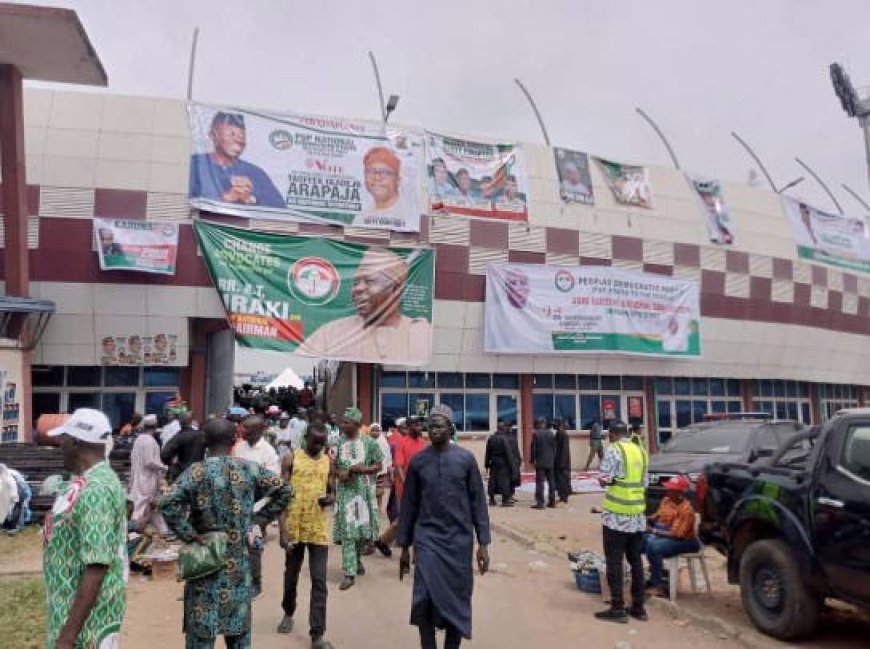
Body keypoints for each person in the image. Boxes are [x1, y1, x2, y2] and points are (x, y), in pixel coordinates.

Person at [160, 418, 290, 649]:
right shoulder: (248, 469)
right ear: (234, 440)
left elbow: (168, 503)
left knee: (201, 633)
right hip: (238, 567)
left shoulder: (196, 472)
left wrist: (189, 534)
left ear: (205, 441)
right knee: (238, 633)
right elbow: (285, 490)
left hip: (204, 563)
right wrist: (258, 519)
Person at [397, 404, 491, 649]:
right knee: (424, 598)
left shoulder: (466, 460)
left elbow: (478, 503)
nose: (433, 430)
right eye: (431, 425)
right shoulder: (418, 462)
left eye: (439, 425)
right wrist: (405, 547)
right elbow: (409, 506)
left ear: (450, 429)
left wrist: (483, 543)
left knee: (457, 602)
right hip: (427, 539)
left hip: (459, 542)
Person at [43, 408, 127, 648]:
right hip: (77, 611)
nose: (60, 444)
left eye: (63, 438)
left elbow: (96, 566)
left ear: (76, 442)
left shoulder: (94, 491)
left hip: (85, 624)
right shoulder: (95, 480)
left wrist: (69, 634)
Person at [299, 247, 432, 364]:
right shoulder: (331, 333)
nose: (358, 289)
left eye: (369, 281)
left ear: (395, 289)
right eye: (356, 283)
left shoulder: (420, 333)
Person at [277, 423, 335, 649]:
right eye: (315, 442)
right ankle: (288, 611)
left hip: (318, 529)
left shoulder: (328, 462)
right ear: (306, 439)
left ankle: (317, 634)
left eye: (322, 443)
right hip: (294, 527)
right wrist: (282, 530)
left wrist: (330, 499)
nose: (319, 446)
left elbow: (331, 491)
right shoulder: (291, 459)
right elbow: (281, 496)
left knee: (319, 581)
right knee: (291, 575)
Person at [595, 420, 649, 623]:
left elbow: (603, 479)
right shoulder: (641, 451)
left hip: (616, 516)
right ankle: (639, 607)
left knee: (615, 561)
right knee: (636, 561)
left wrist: (610, 480)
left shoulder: (614, 450)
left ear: (611, 434)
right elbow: (643, 482)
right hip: (637, 515)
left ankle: (617, 607)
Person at [190, 111, 285, 208]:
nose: (238, 140)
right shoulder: (195, 164)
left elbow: (280, 208)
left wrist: (250, 199)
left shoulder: (256, 173)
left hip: (241, 223)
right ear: (213, 135)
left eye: (242, 136)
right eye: (232, 134)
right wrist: (227, 198)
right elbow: (187, 201)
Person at [333, 407, 383, 591]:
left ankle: (358, 560)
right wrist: (341, 473)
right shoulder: (337, 444)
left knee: (362, 533)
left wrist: (362, 469)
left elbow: (379, 464)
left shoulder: (370, 443)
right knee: (348, 533)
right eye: (342, 421)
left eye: (346, 422)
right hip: (345, 494)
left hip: (363, 494)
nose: (342, 424)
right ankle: (349, 573)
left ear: (356, 425)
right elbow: (331, 468)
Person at [234, 415, 281, 599]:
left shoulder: (268, 452)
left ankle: (256, 583)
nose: (241, 430)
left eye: (245, 428)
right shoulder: (239, 447)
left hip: (257, 508)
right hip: (238, 505)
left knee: (253, 547)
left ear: (257, 431)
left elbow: (272, 481)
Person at [376, 414, 427, 556]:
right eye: (416, 425)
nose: (420, 427)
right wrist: (408, 486)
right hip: (405, 489)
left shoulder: (423, 443)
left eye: (420, 425)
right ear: (409, 427)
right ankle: (416, 554)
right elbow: (399, 466)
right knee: (410, 518)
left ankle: (382, 541)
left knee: (410, 518)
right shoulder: (402, 443)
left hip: (421, 488)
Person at [642, 475, 700, 596]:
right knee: (638, 541)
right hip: (665, 533)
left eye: (671, 489)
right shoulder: (666, 501)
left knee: (655, 547)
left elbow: (677, 534)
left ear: (680, 493)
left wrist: (653, 531)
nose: (667, 491)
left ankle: (658, 584)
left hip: (685, 541)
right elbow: (656, 516)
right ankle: (653, 576)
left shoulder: (686, 510)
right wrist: (643, 520)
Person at [129, 414, 167, 531]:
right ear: (155, 426)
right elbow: (149, 462)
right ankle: (133, 530)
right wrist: (164, 467)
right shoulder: (150, 441)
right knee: (142, 506)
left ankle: (163, 530)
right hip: (147, 480)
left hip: (139, 477)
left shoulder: (139, 440)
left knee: (152, 507)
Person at [356, 146, 406, 228]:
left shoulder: (409, 215)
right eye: (371, 171)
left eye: (385, 172)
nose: (377, 178)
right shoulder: (360, 218)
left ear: (398, 180)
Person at [160, 412, 205, 484]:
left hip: (182, 473)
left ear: (179, 422)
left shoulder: (178, 437)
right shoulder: (201, 435)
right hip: (198, 473)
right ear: (191, 421)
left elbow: (164, 454)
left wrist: (171, 462)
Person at [484, 421, 514, 507]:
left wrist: (486, 463)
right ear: (503, 428)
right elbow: (508, 452)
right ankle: (505, 500)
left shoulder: (491, 438)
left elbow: (488, 452)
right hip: (503, 461)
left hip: (493, 461)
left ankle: (492, 499)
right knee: (503, 480)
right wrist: (512, 465)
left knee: (492, 480)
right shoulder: (504, 439)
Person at [530, 417, 556, 509]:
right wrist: (553, 459)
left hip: (540, 462)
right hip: (550, 462)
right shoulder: (550, 433)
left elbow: (534, 449)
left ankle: (540, 503)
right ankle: (552, 502)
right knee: (551, 482)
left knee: (540, 483)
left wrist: (532, 460)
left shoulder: (536, 434)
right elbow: (554, 448)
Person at [369, 423, 393, 513]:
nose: (375, 432)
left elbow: (388, 456)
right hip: (368, 470)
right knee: (369, 489)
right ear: (369, 431)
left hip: (381, 470)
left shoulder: (384, 442)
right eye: (373, 430)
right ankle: (370, 509)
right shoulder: (366, 441)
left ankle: (379, 508)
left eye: (377, 430)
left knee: (379, 491)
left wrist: (389, 468)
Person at [553, 419, 572, 504]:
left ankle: (564, 496)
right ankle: (562, 496)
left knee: (562, 480)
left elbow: (564, 450)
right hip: (560, 461)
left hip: (562, 462)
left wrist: (561, 463)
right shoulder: (560, 433)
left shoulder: (562, 434)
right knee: (561, 479)